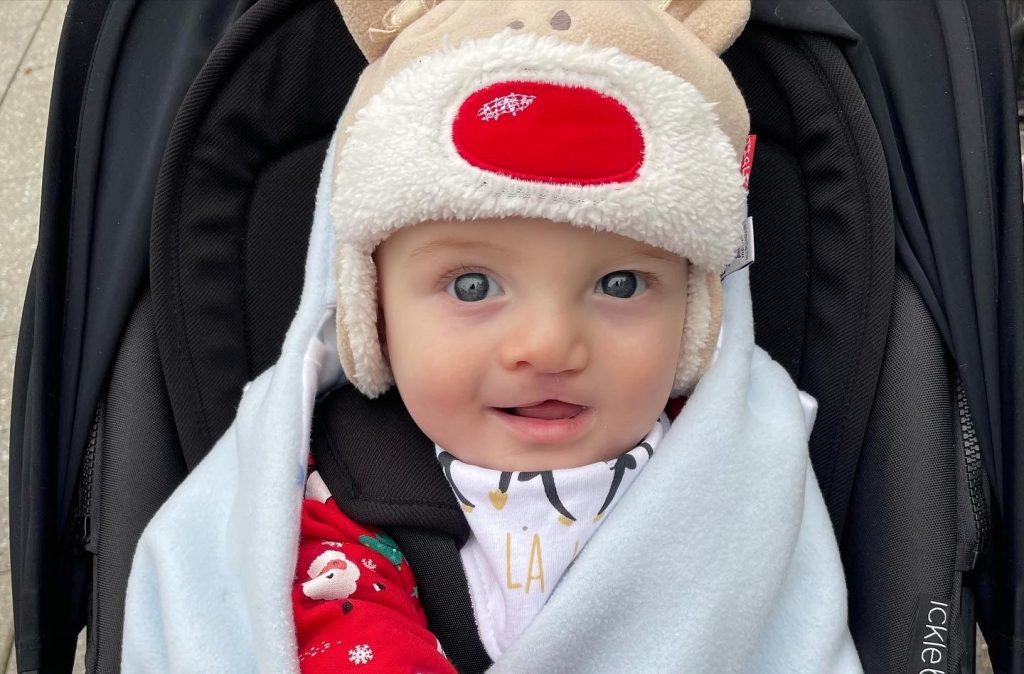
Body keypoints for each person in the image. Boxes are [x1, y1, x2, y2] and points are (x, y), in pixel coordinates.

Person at [122, 1, 863, 672]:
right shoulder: (329, 499)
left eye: (622, 284)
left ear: (698, 323)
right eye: (473, 287)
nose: (547, 346)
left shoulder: (732, 474)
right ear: (370, 311)